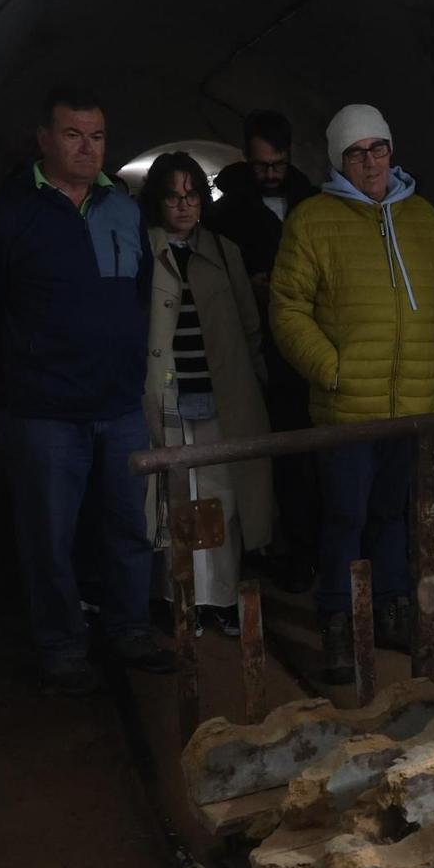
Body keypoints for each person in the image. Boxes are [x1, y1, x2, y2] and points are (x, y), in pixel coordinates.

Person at [0, 83, 175, 695]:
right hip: (43, 412)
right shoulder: (10, 214)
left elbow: (138, 295)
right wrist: (5, 400)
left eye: (97, 136)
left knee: (129, 524)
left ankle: (128, 628)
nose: (86, 148)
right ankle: (62, 644)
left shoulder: (122, 210)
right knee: (50, 533)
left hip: (118, 403)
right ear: (43, 139)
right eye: (72, 135)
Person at [271, 104, 434, 684]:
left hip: (412, 407)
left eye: (379, 148)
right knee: (345, 514)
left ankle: (392, 608)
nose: (371, 161)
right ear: (337, 160)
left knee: (393, 513)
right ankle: (336, 616)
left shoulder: (424, 219)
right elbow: (287, 308)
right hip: (348, 407)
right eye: (357, 152)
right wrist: (331, 369)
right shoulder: (312, 220)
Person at [139, 152, 275, 636]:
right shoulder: (142, 250)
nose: (183, 205)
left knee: (220, 498)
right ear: (157, 201)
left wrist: (256, 381)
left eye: (191, 194)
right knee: (172, 498)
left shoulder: (223, 251)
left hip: (222, 393)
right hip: (167, 396)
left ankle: (216, 598)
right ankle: (179, 597)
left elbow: (247, 322)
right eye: (173, 196)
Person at [206, 109, 321, 593]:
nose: (270, 174)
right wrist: (248, 286)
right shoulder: (228, 210)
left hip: (303, 348)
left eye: (276, 164)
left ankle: (303, 548)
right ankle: (263, 544)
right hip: (252, 346)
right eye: (261, 166)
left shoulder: (311, 201)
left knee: (300, 456)